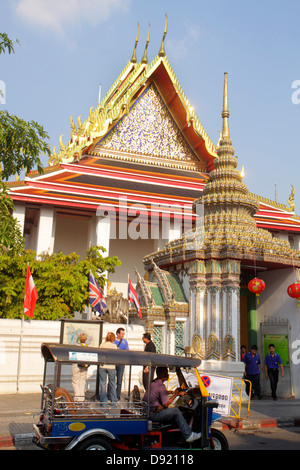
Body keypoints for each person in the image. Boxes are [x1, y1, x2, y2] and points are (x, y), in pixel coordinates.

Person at [143, 367, 201, 443]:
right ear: (160, 374)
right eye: (165, 372)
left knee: (172, 409)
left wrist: (173, 392)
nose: (167, 374)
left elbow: (162, 392)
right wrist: (177, 394)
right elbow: (166, 404)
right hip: (153, 414)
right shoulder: (160, 386)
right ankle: (188, 435)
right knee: (175, 410)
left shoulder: (154, 382)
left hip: (148, 411)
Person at [99, 332, 118, 405]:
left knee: (103, 384)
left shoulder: (102, 345)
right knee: (112, 383)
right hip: (111, 366)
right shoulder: (114, 346)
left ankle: (103, 402)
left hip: (102, 366)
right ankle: (114, 401)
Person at [72, 333, 89, 402]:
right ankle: (82, 398)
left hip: (76, 365)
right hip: (84, 366)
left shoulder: (76, 346)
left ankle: (77, 398)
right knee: (82, 382)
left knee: (75, 382)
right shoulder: (88, 346)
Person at [114, 327, 129, 401]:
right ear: (118, 334)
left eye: (124, 333)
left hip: (121, 363)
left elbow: (127, 352)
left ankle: (117, 395)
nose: (123, 335)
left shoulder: (124, 342)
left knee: (119, 380)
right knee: (112, 380)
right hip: (113, 362)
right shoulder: (113, 341)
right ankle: (111, 394)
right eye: (122, 333)